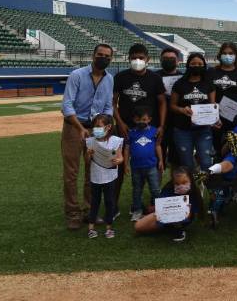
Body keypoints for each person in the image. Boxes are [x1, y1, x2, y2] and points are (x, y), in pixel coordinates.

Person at [60, 43, 114, 230]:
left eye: (107, 56)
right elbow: (67, 105)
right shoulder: (77, 75)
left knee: (93, 170)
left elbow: (108, 106)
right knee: (71, 172)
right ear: (93, 55)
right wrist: (79, 127)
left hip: (96, 129)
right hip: (74, 127)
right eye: (100, 54)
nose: (103, 58)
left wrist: (105, 125)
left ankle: (90, 210)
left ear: (111, 59)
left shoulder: (109, 79)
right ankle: (73, 213)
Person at [113, 43, 166, 209]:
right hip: (126, 128)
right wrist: (120, 123)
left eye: (141, 57)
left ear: (147, 59)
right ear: (129, 58)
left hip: (149, 129)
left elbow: (162, 102)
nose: (137, 60)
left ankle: (154, 202)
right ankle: (113, 204)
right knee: (119, 165)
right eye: (134, 57)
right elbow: (112, 102)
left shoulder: (155, 78)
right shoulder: (120, 77)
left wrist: (161, 125)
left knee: (151, 163)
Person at [170, 52, 216, 171]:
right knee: (187, 164)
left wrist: (215, 118)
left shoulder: (208, 84)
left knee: (206, 162)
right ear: (188, 65)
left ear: (204, 65)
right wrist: (182, 109)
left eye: (200, 64)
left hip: (203, 129)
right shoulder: (179, 84)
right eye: (193, 63)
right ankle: (191, 183)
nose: (196, 66)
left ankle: (207, 182)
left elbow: (213, 105)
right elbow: (172, 105)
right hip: (183, 129)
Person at [133, 166, 203, 243]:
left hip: (183, 219)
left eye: (184, 182)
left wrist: (185, 211)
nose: (181, 186)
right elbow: (161, 205)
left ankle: (178, 230)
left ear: (191, 180)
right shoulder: (168, 189)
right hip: (164, 216)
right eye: (177, 184)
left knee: (183, 214)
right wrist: (156, 210)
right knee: (138, 227)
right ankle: (167, 227)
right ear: (173, 182)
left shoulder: (194, 193)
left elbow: (193, 213)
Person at [84, 114, 124, 239]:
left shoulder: (115, 140)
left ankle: (109, 227)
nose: (95, 129)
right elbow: (87, 161)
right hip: (95, 177)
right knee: (94, 202)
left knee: (109, 201)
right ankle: (91, 228)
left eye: (98, 126)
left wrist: (118, 161)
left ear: (108, 127)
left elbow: (120, 157)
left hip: (110, 177)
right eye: (94, 126)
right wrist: (88, 154)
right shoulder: (90, 141)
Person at [124, 106, 162, 222]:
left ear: (149, 119)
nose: (141, 122)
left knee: (155, 189)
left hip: (151, 167)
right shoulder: (131, 133)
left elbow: (157, 146)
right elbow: (127, 149)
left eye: (144, 119)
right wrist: (125, 164)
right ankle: (137, 211)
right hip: (136, 167)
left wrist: (161, 160)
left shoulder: (154, 131)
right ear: (134, 119)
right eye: (138, 119)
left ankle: (159, 210)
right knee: (137, 190)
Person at [210, 42, 237, 155]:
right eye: (224, 53)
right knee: (216, 150)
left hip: (234, 118)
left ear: (236, 56)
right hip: (216, 118)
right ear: (220, 55)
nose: (227, 56)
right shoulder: (212, 72)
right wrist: (213, 114)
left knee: (233, 150)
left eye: (230, 53)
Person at [155, 47, 182, 168]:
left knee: (176, 161)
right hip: (158, 123)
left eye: (172, 58)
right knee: (157, 160)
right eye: (165, 58)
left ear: (178, 61)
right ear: (161, 60)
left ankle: (175, 180)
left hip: (177, 123)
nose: (169, 60)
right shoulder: (154, 76)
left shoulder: (183, 78)